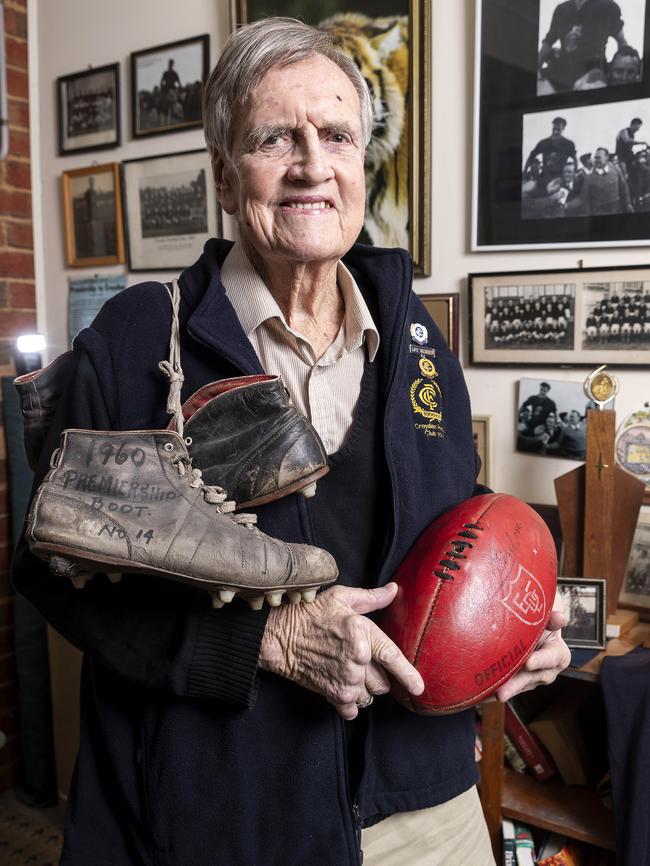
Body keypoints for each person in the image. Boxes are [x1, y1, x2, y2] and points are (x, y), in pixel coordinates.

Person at [12, 18, 570, 866]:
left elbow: (454, 533)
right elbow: (54, 573)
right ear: (226, 178)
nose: (313, 163)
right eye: (277, 137)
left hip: (424, 808)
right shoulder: (139, 341)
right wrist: (265, 641)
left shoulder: (417, 341)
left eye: (337, 135)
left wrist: (511, 630)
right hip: (225, 813)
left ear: (361, 164)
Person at [537, 0, 628, 92]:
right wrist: (536, 68)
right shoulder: (561, 9)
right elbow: (549, 41)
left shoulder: (608, 6)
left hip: (593, 75)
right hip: (561, 73)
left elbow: (622, 42)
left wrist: (618, 73)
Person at [524, 117, 577, 184]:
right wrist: (525, 171)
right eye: (554, 129)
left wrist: (574, 173)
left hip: (560, 178)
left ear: (563, 129)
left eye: (558, 129)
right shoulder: (543, 143)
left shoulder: (568, 144)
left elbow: (575, 160)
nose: (555, 132)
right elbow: (531, 156)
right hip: (544, 177)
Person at [581, 146, 632, 214]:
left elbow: (623, 188)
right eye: (595, 158)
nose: (596, 160)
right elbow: (583, 199)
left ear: (607, 157)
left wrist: (628, 203)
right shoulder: (589, 178)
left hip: (616, 211)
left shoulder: (616, 170)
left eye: (598, 158)